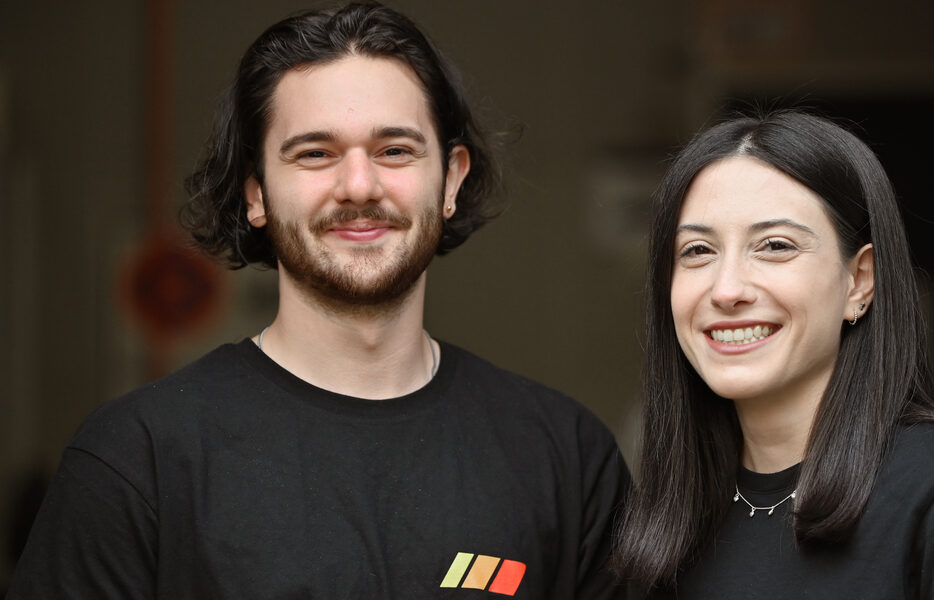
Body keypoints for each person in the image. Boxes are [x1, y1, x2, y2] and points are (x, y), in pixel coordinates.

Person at [9, 3, 629, 598]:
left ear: (451, 179)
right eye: (315, 153)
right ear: (256, 194)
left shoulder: (564, 456)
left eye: (395, 150)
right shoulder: (135, 460)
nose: (358, 185)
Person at [612, 111, 934, 598]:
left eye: (775, 245)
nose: (727, 288)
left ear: (859, 280)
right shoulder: (670, 523)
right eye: (696, 251)